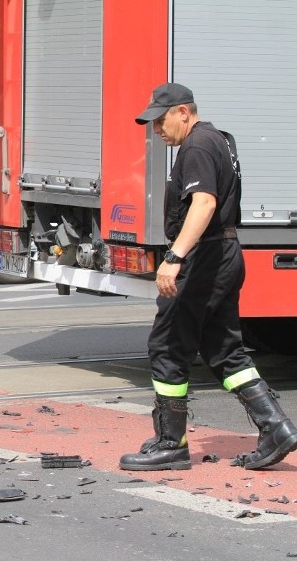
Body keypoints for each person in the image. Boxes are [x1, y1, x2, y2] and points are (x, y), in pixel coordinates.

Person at [120, 83, 297, 471]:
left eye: (161, 120)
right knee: (223, 349)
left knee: (167, 346)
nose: (156, 130)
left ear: (183, 111)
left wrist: (174, 256)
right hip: (224, 253)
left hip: (205, 256)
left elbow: (204, 202)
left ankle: (172, 443)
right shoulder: (219, 140)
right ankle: (276, 427)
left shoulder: (198, 146)